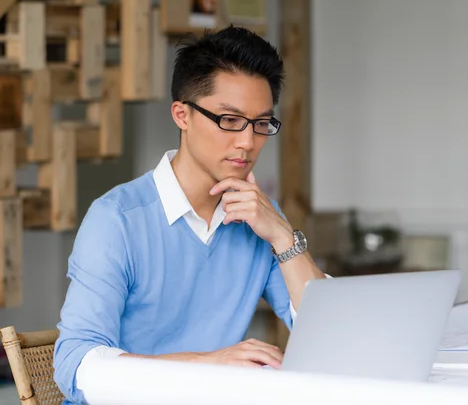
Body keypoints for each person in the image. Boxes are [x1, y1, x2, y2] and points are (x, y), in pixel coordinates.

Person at [53, 26, 327, 403]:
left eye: (261, 124)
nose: (247, 142)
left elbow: (330, 336)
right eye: (229, 120)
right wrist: (208, 365)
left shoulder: (259, 217)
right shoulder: (116, 220)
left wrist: (283, 237)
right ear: (182, 115)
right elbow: (76, 367)